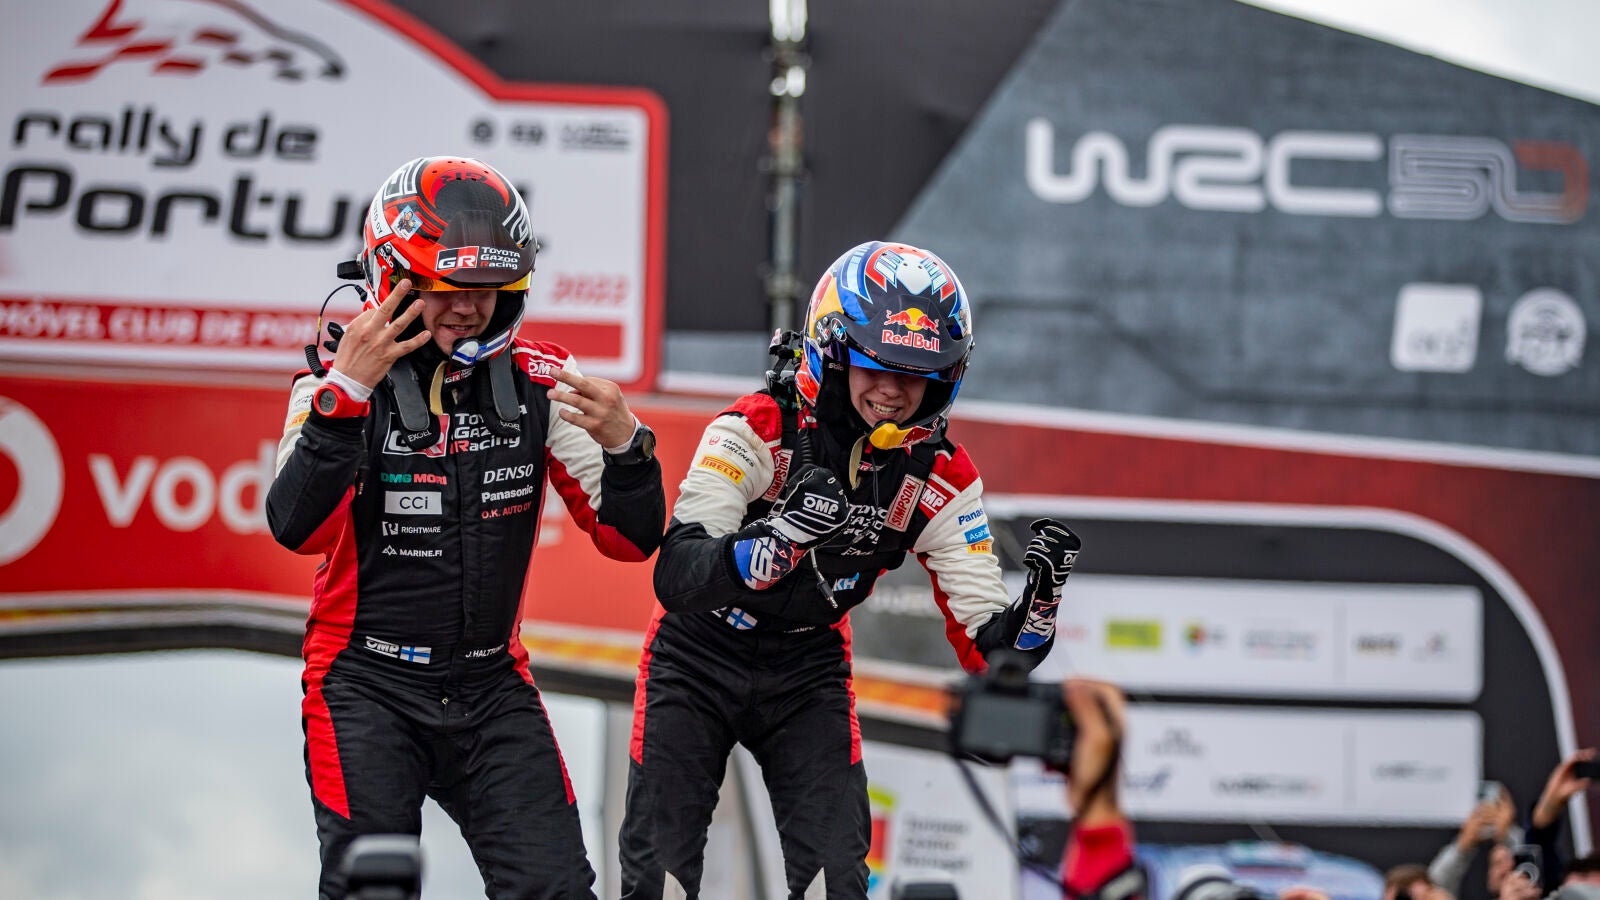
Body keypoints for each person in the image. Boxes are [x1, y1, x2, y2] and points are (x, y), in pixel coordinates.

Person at [617, 240, 1080, 899]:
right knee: (657, 881)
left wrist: (1039, 607)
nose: (892, 391)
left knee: (837, 882)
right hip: (698, 654)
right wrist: (776, 541)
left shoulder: (941, 475)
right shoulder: (756, 426)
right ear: (831, 353)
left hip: (809, 668)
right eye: (875, 365)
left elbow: (990, 652)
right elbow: (678, 576)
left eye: (916, 375)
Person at [266, 156, 665, 900]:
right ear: (392, 277)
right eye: (447, 288)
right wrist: (345, 396)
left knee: (559, 891)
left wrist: (629, 449)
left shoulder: (545, 378)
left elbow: (631, 540)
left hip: (490, 684)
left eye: (489, 289)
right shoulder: (329, 386)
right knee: (374, 888)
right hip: (365, 685)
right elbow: (296, 529)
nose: (469, 308)